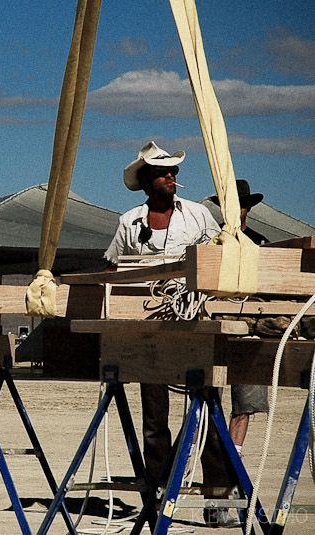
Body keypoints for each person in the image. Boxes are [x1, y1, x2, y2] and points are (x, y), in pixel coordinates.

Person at [104, 141, 238, 528]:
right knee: (154, 418)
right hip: (148, 329)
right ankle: (158, 494)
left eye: (174, 172)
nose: (172, 177)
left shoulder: (198, 215)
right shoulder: (129, 221)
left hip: (194, 321)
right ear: (147, 180)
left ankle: (217, 498)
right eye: (164, 172)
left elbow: (221, 255)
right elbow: (113, 270)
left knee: (207, 413)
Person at [210, 180, 270, 456]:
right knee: (208, 396)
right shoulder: (211, 243)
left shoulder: (260, 244)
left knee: (245, 401)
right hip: (217, 325)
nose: (238, 209)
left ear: (248, 208)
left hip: (251, 326)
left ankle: (234, 458)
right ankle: (204, 458)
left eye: (241, 205)